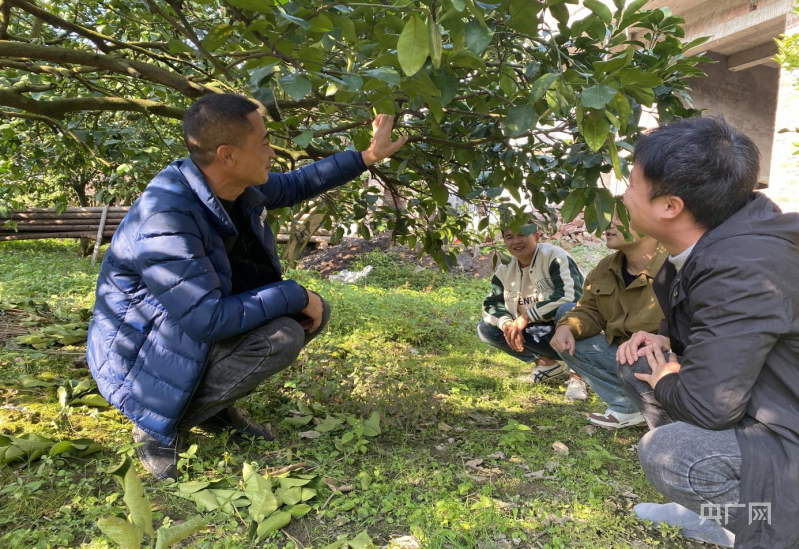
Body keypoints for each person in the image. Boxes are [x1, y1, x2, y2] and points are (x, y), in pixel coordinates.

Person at [86, 94, 407, 480]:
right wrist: (297, 294)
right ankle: (154, 424)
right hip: (142, 353)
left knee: (303, 319)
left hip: (179, 330)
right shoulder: (166, 216)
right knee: (283, 333)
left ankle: (213, 406)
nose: (273, 152)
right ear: (228, 155)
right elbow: (206, 320)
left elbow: (296, 184)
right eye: (264, 142)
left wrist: (369, 156)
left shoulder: (234, 186)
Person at [615, 116, 799, 549]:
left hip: (788, 423)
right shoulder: (727, 233)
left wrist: (668, 379)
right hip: (770, 395)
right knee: (640, 364)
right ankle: (707, 514)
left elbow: (708, 407)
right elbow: (718, 323)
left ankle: (766, 526)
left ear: (670, 206)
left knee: (675, 456)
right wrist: (667, 339)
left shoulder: (741, 267)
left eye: (632, 183)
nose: (624, 195)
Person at [549, 218, 667, 429]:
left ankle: (664, 410)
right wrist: (567, 328)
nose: (607, 226)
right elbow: (589, 310)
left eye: (620, 218)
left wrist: (665, 341)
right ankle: (628, 405)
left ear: (648, 221)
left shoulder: (676, 266)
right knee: (566, 316)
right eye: (606, 219)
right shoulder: (606, 267)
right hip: (623, 356)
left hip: (663, 362)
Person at [478, 222, 586, 396]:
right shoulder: (505, 269)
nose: (516, 241)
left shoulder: (555, 257)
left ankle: (578, 375)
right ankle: (546, 365)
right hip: (540, 331)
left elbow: (570, 295)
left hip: (570, 329)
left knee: (567, 309)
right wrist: (507, 324)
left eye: (522, 234)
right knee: (487, 329)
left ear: (536, 236)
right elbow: (491, 305)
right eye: (509, 237)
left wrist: (525, 317)